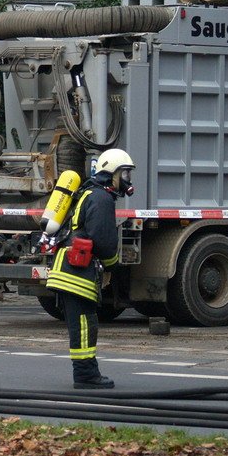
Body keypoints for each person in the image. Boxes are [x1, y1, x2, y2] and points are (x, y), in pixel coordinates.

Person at [45, 149, 134, 389]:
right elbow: (104, 242)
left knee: (83, 323)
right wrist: (114, 267)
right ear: (112, 173)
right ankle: (85, 375)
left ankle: (86, 372)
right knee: (84, 325)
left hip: (70, 269)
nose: (127, 179)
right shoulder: (101, 198)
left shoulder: (89, 192)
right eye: (124, 173)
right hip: (76, 273)